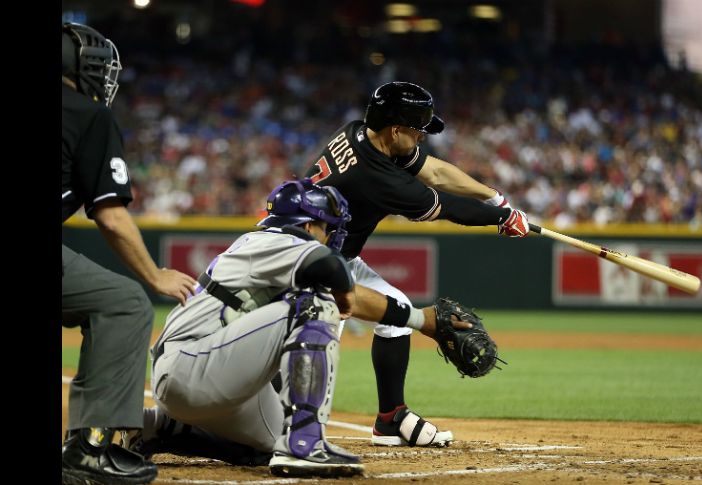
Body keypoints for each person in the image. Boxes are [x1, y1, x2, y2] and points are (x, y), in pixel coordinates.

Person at [123, 178, 473, 477]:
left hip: (202, 373)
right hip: (191, 368)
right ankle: (303, 443)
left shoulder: (267, 247)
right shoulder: (276, 241)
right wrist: (340, 291)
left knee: (265, 448)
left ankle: (162, 428)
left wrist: (420, 320)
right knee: (314, 306)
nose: (333, 236)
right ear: (307, 226)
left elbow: (353, 293)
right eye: (328, 227)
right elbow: (334, 272)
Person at [304, 81, 530, 447]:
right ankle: (290, 433)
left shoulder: (361, 133)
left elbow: (436, 172)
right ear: (396, 130)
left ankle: (391, 418)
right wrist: (501, 220)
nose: (422, 137)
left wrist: (494, 198)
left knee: (397, 315)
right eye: (418, 130)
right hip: (308, 267)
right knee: (316, 346)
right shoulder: (376, 175)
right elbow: (446, 207)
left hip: (336, 256)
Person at [62, 22, 197, 485]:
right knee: (124, 303)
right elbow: (112, 216)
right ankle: (90, 449)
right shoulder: (87, 113)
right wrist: (155, 276)